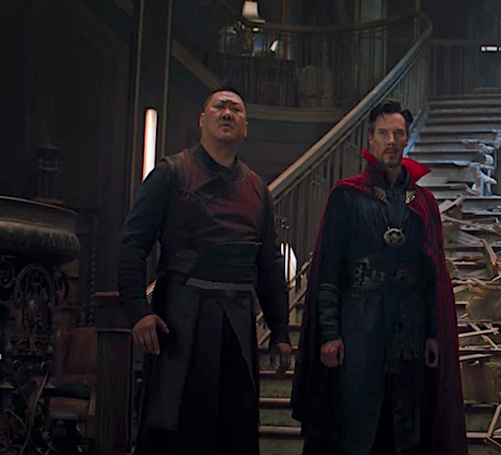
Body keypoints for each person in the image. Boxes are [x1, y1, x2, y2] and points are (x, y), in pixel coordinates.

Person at [118, 87, 293, 455]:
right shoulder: (171, 173)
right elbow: (133, 243)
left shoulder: (257, 190)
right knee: (177, 431)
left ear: (245, 127)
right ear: (202, 120)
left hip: (237, 321)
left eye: (236, 109)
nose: (227, 113)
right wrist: (138, 310)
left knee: (234, 430)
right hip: (180, 320)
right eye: (219, 107)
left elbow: (268, 265)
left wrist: (279, 330)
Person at [290, 100, 467, 455]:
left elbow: (431, 277)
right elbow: (328, 271)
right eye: (384, 133)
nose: (391, 141)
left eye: (398, 134)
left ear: (407, 140)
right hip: (358, 328)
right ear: (370, 139)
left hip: (408, 332)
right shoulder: (347, 196)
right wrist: (329, 333)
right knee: (357, 427)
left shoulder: (422, 203)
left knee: (404, 432)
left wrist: (433, 333)